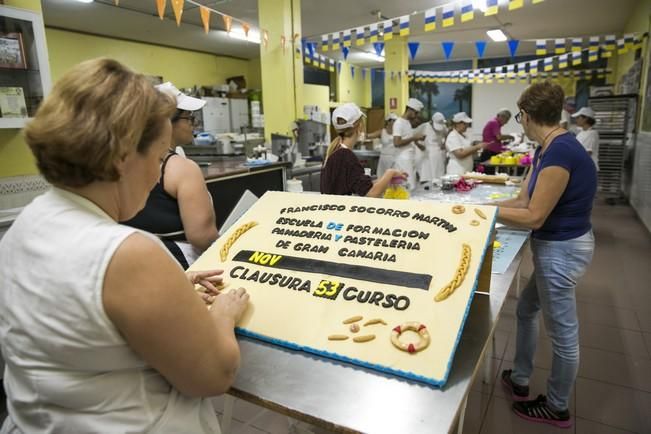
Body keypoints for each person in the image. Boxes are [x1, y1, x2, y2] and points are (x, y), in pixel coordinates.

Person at [0, 58, 250, 433]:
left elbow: (87, 315)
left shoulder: (30, 222)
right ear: (122, 159)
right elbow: (212, 377)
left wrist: (170, 292)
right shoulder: (129, 254)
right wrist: (222, 315)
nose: (158, 172)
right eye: (160, 155)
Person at [497, 81, 597, 429]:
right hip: (554, 246)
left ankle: (557, 406)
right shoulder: (546, 148)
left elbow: (535, 216)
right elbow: (523, 201)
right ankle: (521, 378)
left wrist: (486, 216)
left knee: (564, 334)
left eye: (519, 116)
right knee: (526, 309)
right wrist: (477, 206)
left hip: (562, 249)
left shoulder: (561, 152)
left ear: (525, 115)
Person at [122, 82, 218, 269]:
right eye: (189, 118)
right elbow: (201, 237)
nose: (194, 125)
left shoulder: (123, 159)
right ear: (166, 120)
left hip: (133, 259)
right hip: (178, 262)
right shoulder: (182, 169)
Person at [320, 103, 406, 196]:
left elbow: (360, 185)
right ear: (360, 126)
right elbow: (370, 193)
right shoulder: (346, 157)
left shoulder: (334, 150)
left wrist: (386, 180)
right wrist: (390, 173)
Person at [392, 98, 426, 191]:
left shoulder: (407, 122)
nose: (416, 116)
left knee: (411, 186)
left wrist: (417, 141)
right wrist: (414, 138)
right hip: (403, 160)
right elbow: (396, 142)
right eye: (415, 113)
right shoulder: (398, 123)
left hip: (409, 159)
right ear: (410, 110)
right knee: (406, 187)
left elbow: (407, 138)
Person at [418, 112, 448, 185]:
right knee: (428, 176)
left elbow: (447, 135)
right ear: (432, 121)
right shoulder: (425, 126)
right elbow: (413, 135)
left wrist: (444, 144)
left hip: (439, 153)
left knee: (439, 176)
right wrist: (418, 145)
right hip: (427, 153)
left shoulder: (443, 126)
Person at [368, 113, 398, 177]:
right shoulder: (382, 131)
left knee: (393, 178)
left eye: (396, 120)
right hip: (383, 158)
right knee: (382, 177)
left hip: (394, 158)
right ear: (388, 121)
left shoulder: (398, 132)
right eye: (393, 120)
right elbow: (369, 135)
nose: (395, 122)